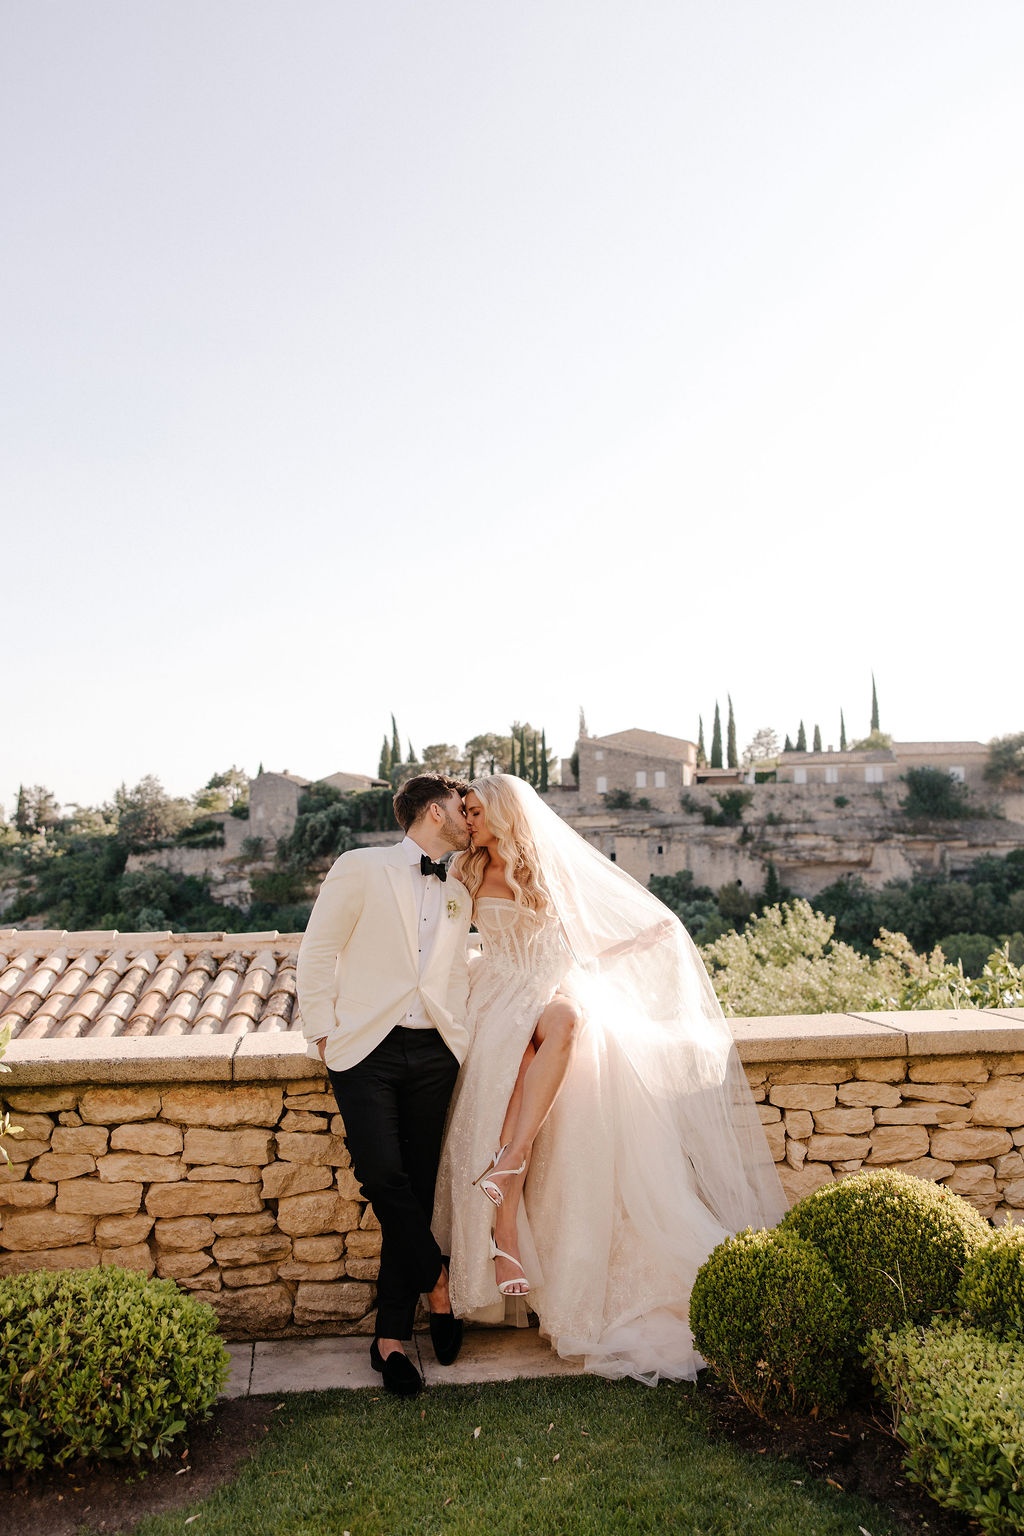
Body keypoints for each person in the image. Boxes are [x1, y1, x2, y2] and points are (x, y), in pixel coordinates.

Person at [433, 774, 787, 1385]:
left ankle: (509, 1165)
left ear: (506, 812)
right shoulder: (464, 871)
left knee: (569, 1019)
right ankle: (506, 1211)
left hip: (549, 991)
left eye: (475, 809)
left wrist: (649, 939)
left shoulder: (548, 872)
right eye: (464, 810)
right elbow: (442, 940)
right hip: (496, 997)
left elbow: (587, 949)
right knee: (516, 1051)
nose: (468, 820)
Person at [297, 773, 473, 1396]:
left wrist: (461, 1036)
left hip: (435, 1052)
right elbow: (317, 951)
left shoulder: (460, 886)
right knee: (382, 1177)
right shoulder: (361, 867)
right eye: (461, 805)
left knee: (418, 1190)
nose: (469, 814)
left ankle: (391, 1340)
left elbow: (452, 971)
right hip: (365, 1049)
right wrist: (322, 1033)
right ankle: (438, 1282)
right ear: (433, 810)